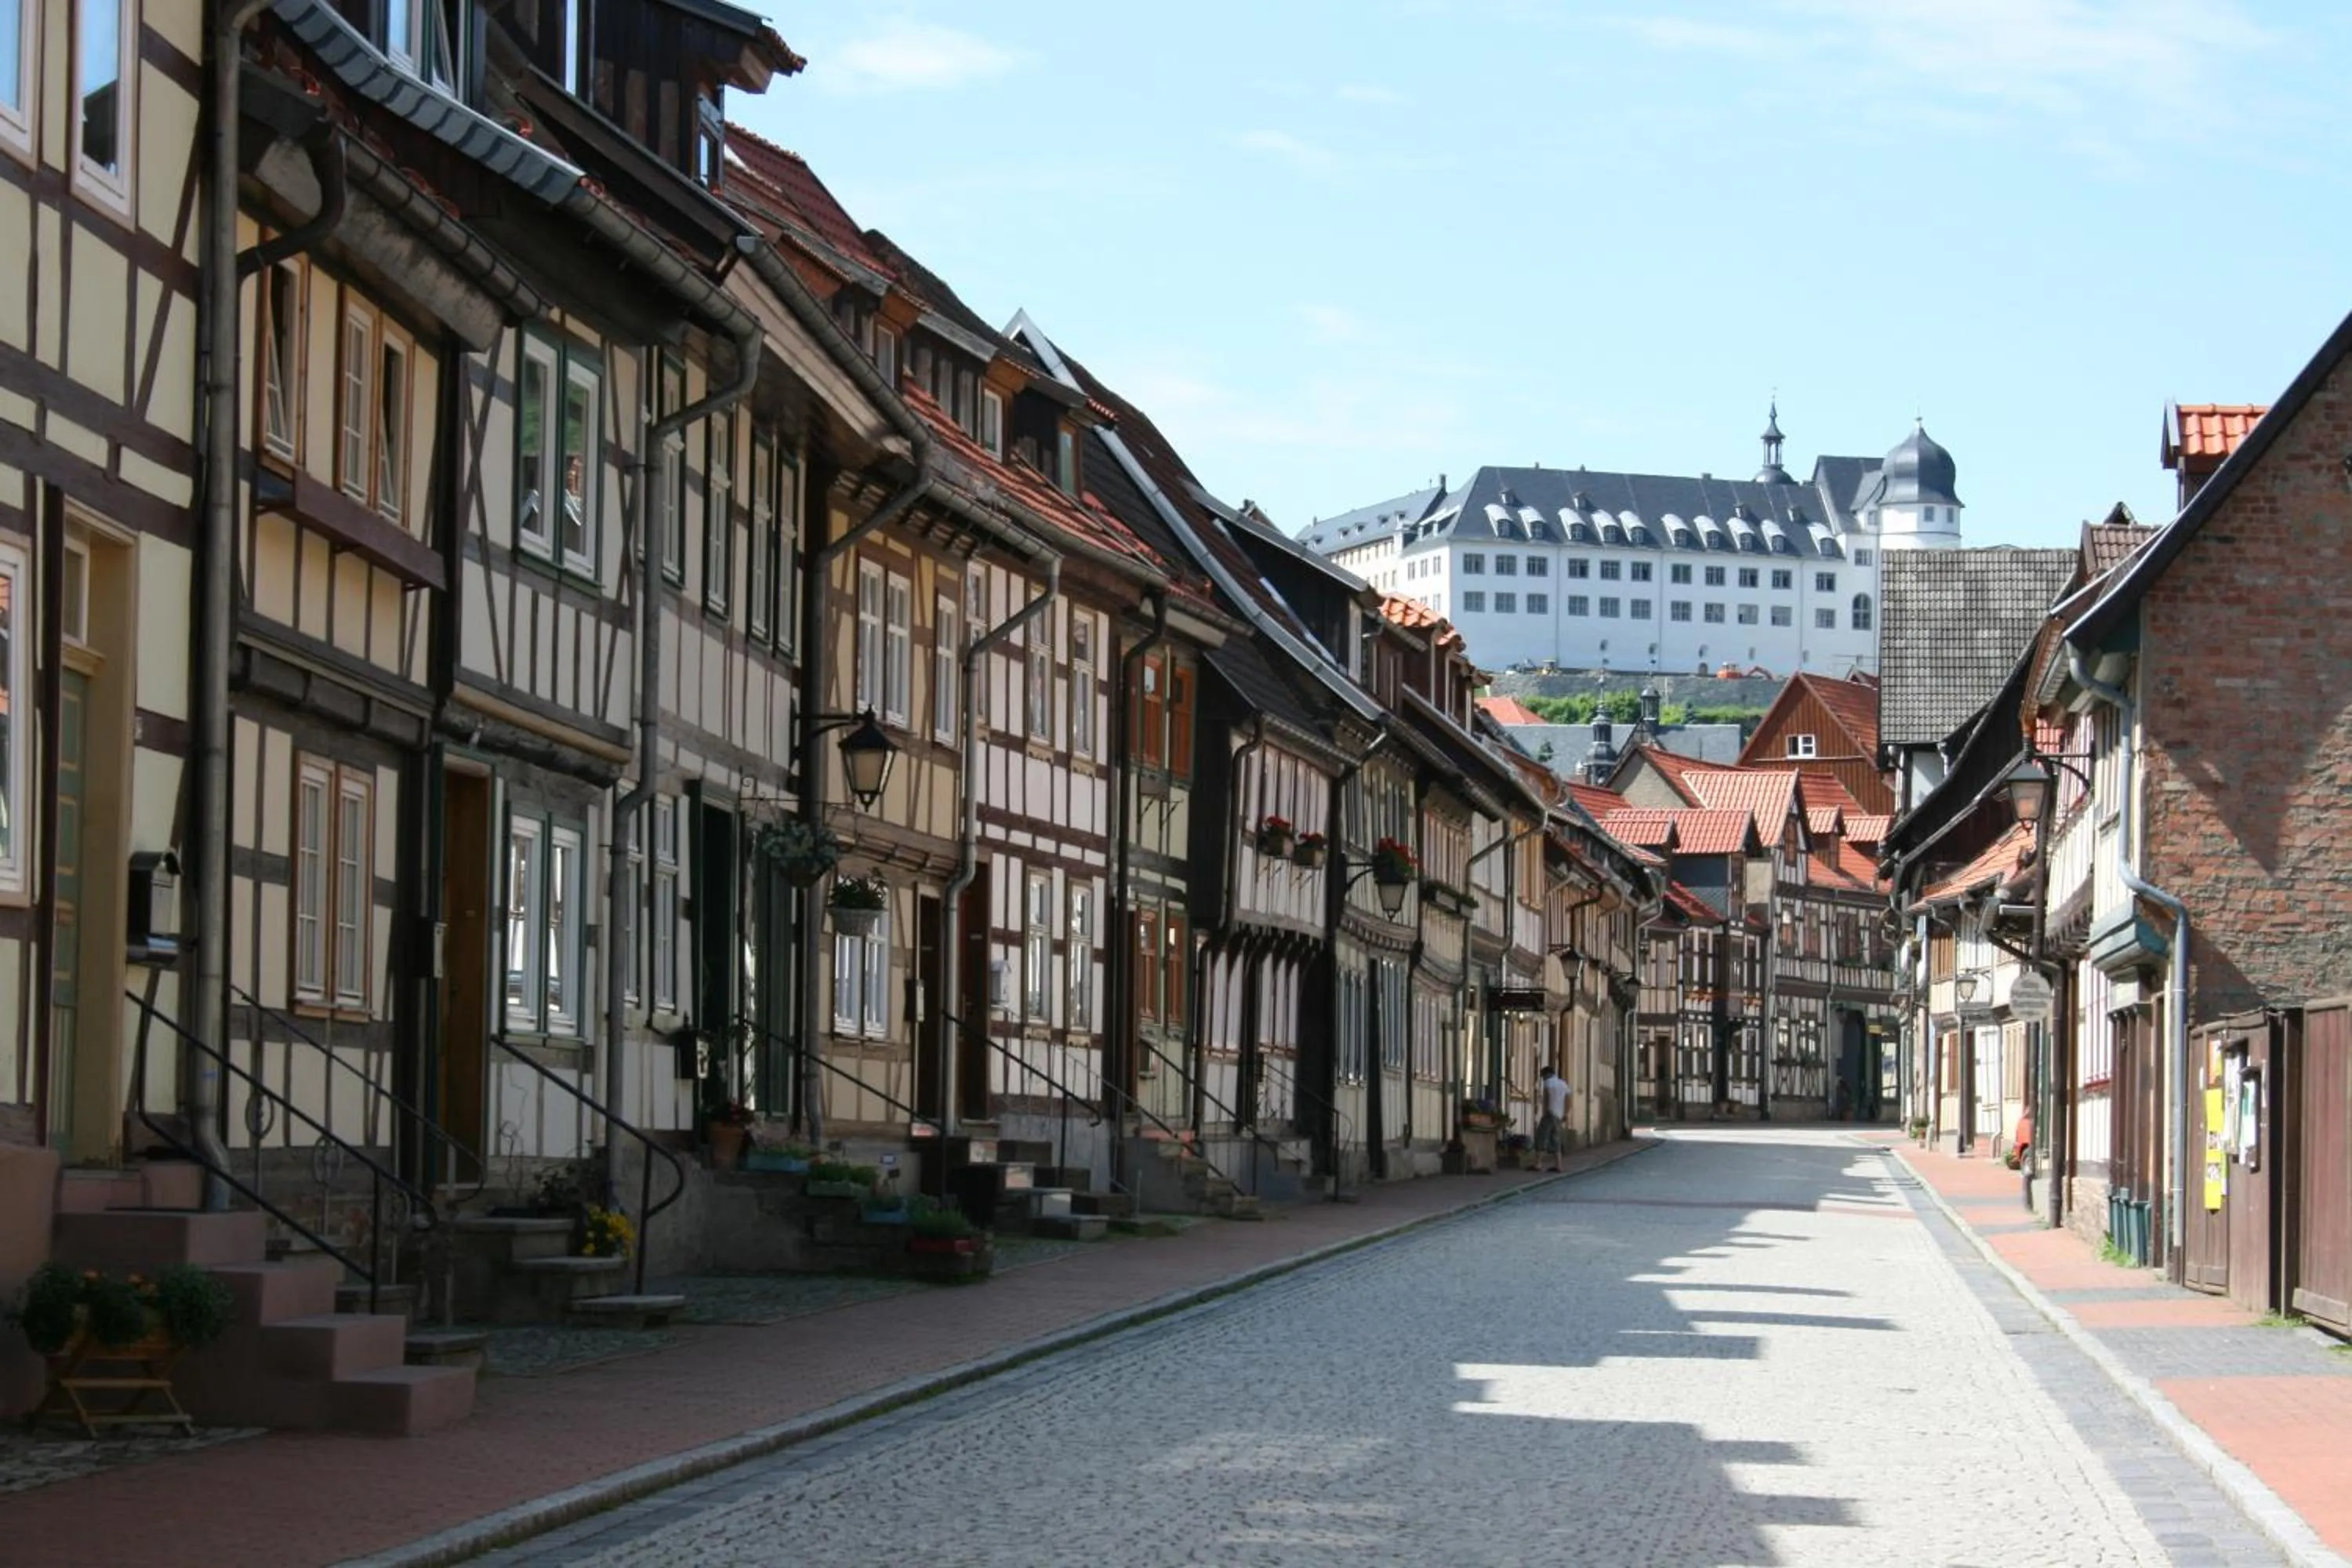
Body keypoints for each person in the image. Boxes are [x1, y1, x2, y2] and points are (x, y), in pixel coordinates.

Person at [1534, 1065, 1571, 1174]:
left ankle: (1538, 1163)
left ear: (1546, 1075)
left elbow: (1547, 1098)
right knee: (1556, 1139)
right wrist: (1566, 1113)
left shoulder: (1548, 1083)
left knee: (1541, 1137)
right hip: (1559, 1115)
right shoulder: (1563, 1084)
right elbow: (1569, 1100)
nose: (1542, 1078)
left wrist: (1544, 1112)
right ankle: (1558, 1165)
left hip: (1550, 1113)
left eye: (1542, 1076)